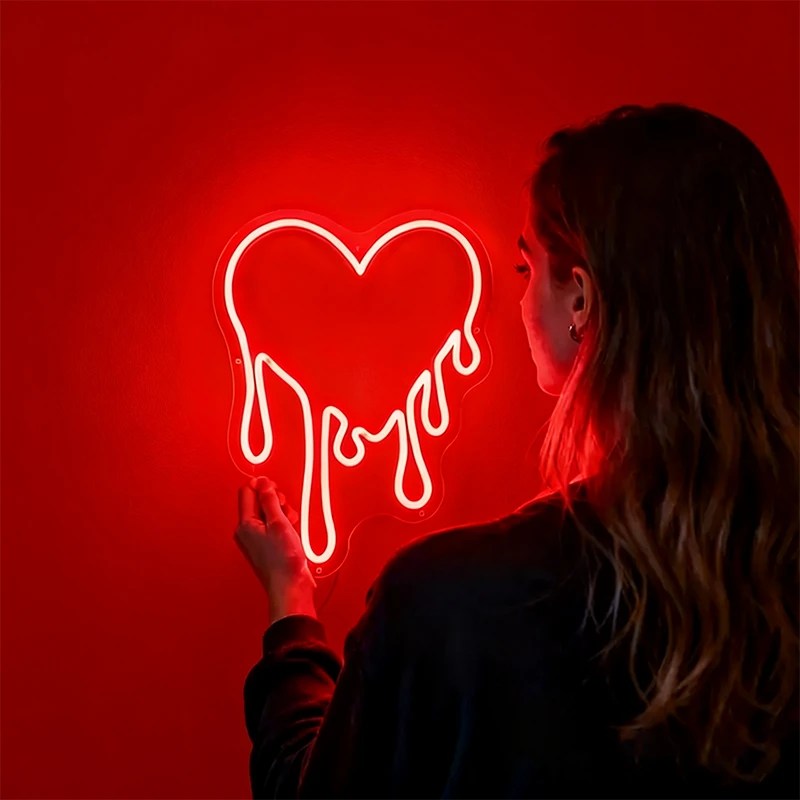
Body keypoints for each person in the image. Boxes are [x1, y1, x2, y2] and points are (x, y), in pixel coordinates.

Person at [235, 104, 800, 797]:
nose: (521, 298)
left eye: (525, 266)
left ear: (581, 300)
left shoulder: (451, 605)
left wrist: (291, 610)